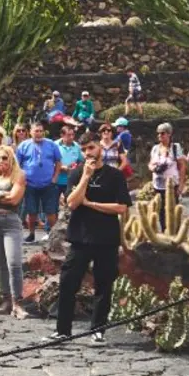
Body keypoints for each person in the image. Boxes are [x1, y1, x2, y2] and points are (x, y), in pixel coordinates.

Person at [52, 134, 133, 342]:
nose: (88, 152)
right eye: (84, 149)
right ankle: (62, 330)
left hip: (106, 238)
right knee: (68, 282)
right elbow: (72, 203)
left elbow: (122, 207)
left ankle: (97, 329)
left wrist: (92, 205)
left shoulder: (115, 175)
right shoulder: (76, 173)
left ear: (100, 148)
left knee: (104, 285)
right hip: (80, 237)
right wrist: (86, 177)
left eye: (92, 147)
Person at [0, 146, 28, 319]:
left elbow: (14, 198)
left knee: (14, 263)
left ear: (11, 158)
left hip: (11, 221)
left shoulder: (19, 175)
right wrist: (1, 193)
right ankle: (6, 300)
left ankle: (18, 302)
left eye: (4, 158)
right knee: (1, 264)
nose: (1, 161)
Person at [16, 122, 62, 242]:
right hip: (30, 184)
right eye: (36, 131)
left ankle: (53, 235)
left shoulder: (51, 144)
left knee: (51, 211)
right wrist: (22, 180)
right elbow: (17, 165)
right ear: (30, 132)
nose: (39, 133)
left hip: (49, 184)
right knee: (32, 211)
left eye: (41, 131)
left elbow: (58, 161)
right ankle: (31, 233)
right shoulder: (23, 146)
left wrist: (55, 177)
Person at [149, 123, 187, 229]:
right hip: (158, 184)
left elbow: (182, 166)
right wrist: (153, 168)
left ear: (169, 134)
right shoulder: (155, 148)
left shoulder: (175, 147)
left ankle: (175, 232)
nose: (160, 136)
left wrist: (181, 184)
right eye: (158, 134)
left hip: (172, 184)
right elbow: (151, 163)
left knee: (172, 209)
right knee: (161, 210)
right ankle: (164, 230)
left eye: (162, 133)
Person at [55, 123, 84, 201]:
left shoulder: (77, 146)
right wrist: (62, 167)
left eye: (73, 135)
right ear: (62, 135)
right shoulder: (54, 145)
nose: (71, 137)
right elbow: (49, 162)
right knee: (53, 207)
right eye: (68, 135)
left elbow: (82, 161)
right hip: (56, 181)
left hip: (71, 182)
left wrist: (76, 167)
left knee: (69, 205)